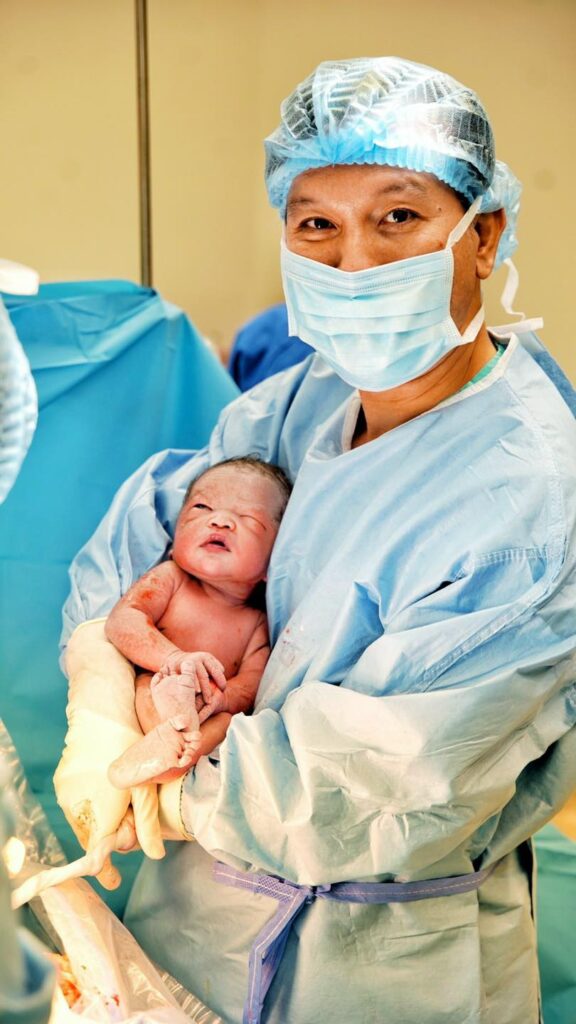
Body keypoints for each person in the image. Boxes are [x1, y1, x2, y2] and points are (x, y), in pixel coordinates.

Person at [54, 57, 576, 1024]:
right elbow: (151, 534)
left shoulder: (529, 496)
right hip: (186, 925)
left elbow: (383, 784)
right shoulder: (304, 400)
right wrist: (101, 694)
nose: (354, 263)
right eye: (316, 226)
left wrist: (163, 791)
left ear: (484, 234)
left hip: (378, 962)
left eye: (398, 217)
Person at [105, 457, 291, 788]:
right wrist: (174, 660)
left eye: (249, 519)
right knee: (146, 686)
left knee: (229, 722)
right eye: (202, 508)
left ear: (272, 563)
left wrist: (221, 698)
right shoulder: (170, 579)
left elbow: (252, 683)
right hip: (159, 683)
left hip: (206, 711)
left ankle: (178, 753)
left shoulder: (256, 622)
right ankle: (163, 740)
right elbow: (123, 621)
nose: (220, 521)